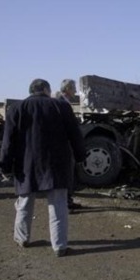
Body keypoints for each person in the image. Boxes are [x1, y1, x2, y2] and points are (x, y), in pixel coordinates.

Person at [0, 78, 85, 257]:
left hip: (26, 165)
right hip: (56, 164)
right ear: (46, 90)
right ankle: (60, 246)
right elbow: (75, 135)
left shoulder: (16, 109)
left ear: (31, 91)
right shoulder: (61, 107)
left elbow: (8, 142)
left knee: (24, 203)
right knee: (58, 205)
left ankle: (22, 238)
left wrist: (5, 166)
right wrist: (80, 156)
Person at [55, 79, 84, 212]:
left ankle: (67, 201)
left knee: (68, 173)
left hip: (63, 144)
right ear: (67, 89)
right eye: (73, 88)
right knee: (66, 174)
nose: (75, 91)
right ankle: (65, 203)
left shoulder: (61, 102)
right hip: (64, 145)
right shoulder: (62, 103)